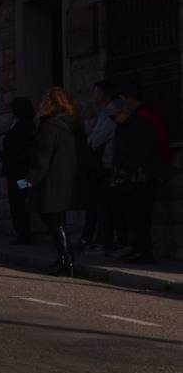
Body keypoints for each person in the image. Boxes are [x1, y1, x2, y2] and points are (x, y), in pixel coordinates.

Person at [21, 87, 80, 277]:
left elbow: (42, 156)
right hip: (66, 179)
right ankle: (65, 258)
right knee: (58, 220)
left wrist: (30, 180)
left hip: (50, 181)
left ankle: (66, 260)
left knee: (53, 221)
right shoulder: (71, 124)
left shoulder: (49, 126)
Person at [108, 97, 162, 265]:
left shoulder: (140, 126)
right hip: (129, 180)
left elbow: (141, 152)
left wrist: (127, 168)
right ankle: (137, 249)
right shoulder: (122, 127)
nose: (113, 119)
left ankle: (145, 252)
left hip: (141, 180)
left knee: (142, 218)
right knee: (133, 217)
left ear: (124, 112)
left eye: (115, 115)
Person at [80, 82, 117, 253]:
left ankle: (103, 242)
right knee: (97, 205)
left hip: (105, 166)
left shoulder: (110, 114)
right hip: (99, 166)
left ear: (102, 94)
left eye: (95, 92)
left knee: (104, 207)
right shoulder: (101, 114)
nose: (92, 96)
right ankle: (92, 240)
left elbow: (96, 139)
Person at [0, 97, 37, 245]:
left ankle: (23, 232)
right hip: (18, 172)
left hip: (20, 173)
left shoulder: (23, 127)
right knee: (19, 201)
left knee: (19, 201)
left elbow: (21, 150)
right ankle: (22, 232)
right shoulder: (25, 125)